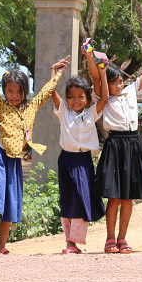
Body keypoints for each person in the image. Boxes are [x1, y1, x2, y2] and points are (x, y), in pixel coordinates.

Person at [0, 56, 69, 255]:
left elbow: (47, 91)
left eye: (18, 91)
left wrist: (57, 73)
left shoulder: (31, 107)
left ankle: (1, 247)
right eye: (10, 91)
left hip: (13, 162)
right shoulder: (0, 104)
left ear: (24, 91)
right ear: (4, 91)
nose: (14, 95)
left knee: (9, 202)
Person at [85, 46, 142, 254]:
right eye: (114, 83)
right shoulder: (103, 97)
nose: (119, 85)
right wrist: (91, 58)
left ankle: (122, 238)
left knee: (128, 197)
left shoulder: (131, 90)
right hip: (115, 145)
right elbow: (96, 78)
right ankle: (110, 239)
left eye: (120, 81)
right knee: (114, 196)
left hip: (133, 144)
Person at [50, 46, 109, 254]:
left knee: (82, 198)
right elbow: (51, 92)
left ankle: (74, 241)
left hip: (84, 161)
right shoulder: (63, 112)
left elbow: (104, 98)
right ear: (67, 98)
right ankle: (70, 243)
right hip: (66, 160)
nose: (76, 100)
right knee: (68, 199)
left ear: (87, 98)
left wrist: (102, 73)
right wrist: (54, 72)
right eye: (71, 96)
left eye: (80, 96)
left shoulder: (92, 113)